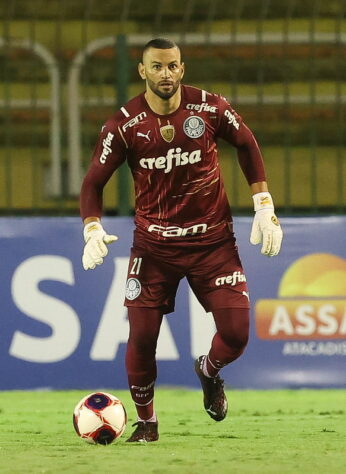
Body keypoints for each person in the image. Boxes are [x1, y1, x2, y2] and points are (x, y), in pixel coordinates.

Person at [80, 38, 283, 442]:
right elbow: (93, 182)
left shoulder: (210, 107)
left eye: (172, 66)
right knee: (141, 336)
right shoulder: (123, 125)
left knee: (238, 334)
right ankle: (147, 424)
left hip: (213, 244)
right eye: (157, 67)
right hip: (154, 249)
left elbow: (247, 143)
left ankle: (208, 370)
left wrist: (263, 203)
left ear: (182, 68)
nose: (165, 74)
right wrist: (91, 227)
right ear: (142, 71)